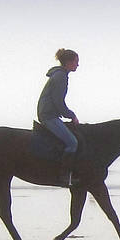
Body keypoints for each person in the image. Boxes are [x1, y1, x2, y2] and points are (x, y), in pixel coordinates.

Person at [37, 48, 81, 185]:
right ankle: (64, 176)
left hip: (49, 113)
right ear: (68, 62)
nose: (77, 65)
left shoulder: (60, 75)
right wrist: (71, 115)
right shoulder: (61, 76)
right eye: (76, 62)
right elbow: (58, 101)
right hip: (48, 115)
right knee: (73, 143)